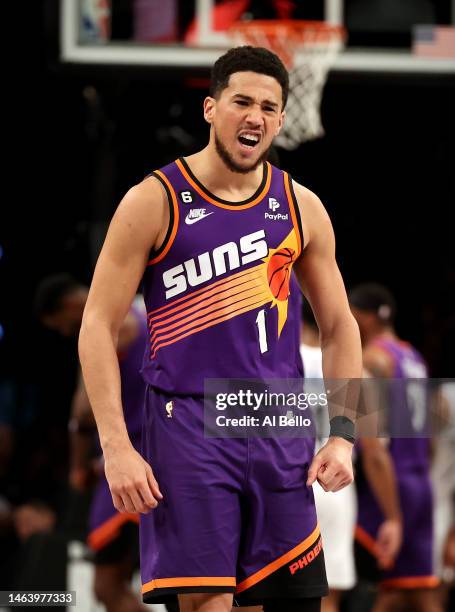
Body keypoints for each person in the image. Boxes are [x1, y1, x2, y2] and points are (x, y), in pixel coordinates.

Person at [78, 46, 363, 612]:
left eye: (268, 106)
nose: (254, 115)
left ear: (282, 119)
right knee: (210, 603)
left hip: (277, 423)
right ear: (211, 109)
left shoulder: (301, 206)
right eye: (241, 102)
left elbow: (340, 326)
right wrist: (116, 446)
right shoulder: (153, 200)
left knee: (291, 602)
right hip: (188, 422)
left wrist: (344, 435)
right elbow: (96, 324)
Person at [34, 275, 157, 612]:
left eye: (62, 326)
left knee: (106, 586)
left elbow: (83, 414)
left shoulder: (102, 329)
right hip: (173, 455)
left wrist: (76, 466)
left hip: (131, 467)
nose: (64, 333)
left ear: (71, 306)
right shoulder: (150, 310)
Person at [300, 298, 402, 612]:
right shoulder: (354, 369)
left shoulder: (269, 362)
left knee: (256, 594)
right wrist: (394, 518)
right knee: (326, 597)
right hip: (331, 483)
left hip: (279, 478)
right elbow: (374, 453)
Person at [349, 282, 441, 612]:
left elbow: (372, 439)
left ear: (365, 318)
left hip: (388, 482)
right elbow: (431, 436)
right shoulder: (414, 356)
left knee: (369, 589)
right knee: (417, 592)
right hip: (420, 483)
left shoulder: (373, 359)